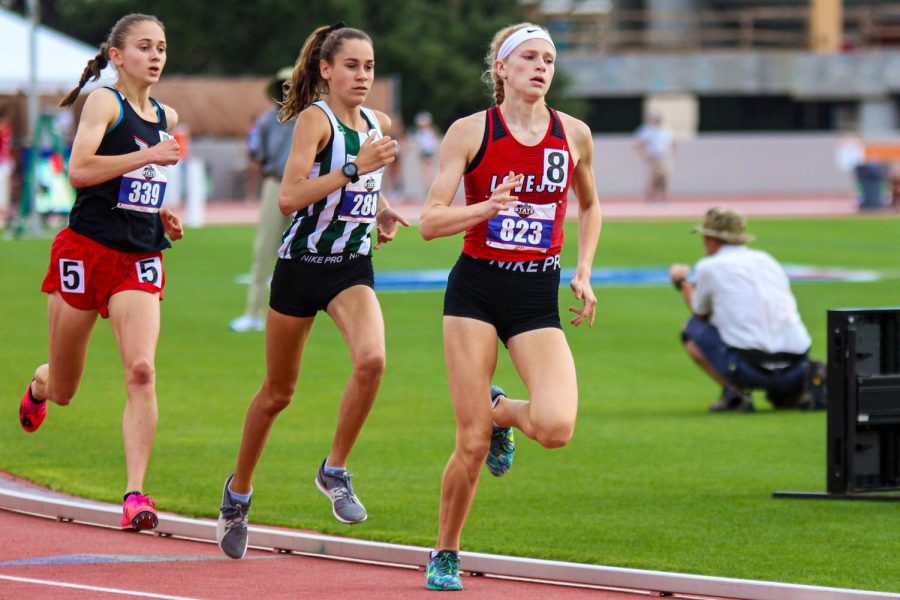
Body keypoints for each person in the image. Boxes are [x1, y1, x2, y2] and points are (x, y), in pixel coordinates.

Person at [418, 23, 602, 591]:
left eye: (548, 58)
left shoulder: (573, 134)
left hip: (534, 295)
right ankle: (446, 552)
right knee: (469, 442)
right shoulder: (471, 132)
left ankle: (502, 411)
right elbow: (429, 221)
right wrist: (486, 209)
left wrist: (584, 271)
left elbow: (590, 206)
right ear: (501, 68)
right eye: (528, 57)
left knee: (556, 426)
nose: (540, 66)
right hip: (475, 290)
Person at [216, 23, 407, 560]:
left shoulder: (379, 123)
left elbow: (366, 184)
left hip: (350, 267)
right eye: (352, 65)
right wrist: (354, 168)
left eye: (369, 67)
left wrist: (382, 209)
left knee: (372, 360)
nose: (362, 76)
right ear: (326, 70)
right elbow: (290, 198)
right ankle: (238, 493)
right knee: (278, 393)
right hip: (300, 268)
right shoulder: (313, 121)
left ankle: (335, 469)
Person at [17, 14, 183, 532]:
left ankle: (135, 494)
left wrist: (157, 212)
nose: (155, 56)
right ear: (117, 55)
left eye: (161, 47)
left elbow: (138, 180)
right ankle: (40, 387)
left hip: (139, 257)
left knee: (141, 370)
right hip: (84, 254)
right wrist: (151, 156)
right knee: (66, 387)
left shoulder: (164, 113)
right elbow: (80, 171)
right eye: (143, 47)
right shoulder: (103, 102)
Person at [669, 207, 826, 413]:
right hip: (797, 365)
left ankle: (735, 393)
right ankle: (797, 388)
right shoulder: (767, 260)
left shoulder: (709, 266)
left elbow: (699, 313)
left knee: (691, 329)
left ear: (712, 240)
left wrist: (682, 282)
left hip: (749, 369)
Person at [229, 67, 296, 332]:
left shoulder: (311, 118)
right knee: (264, 249)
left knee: (300, 252)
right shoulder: (268, 121)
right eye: (285, 87)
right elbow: (257, 153)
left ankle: (293, 314)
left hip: (304, 186)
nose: (289, 91)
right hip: (275, 183)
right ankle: (254, 311)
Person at [634, 112, 674, 203]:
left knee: (664, 178)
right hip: (652, 158)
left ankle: (664, 198)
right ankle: (650, 198)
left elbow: (671, 143)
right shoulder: (647, 130)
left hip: (663, 157)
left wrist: (670, 154)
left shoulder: (666, 130)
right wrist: (644, 155)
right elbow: (638, 144)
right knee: (651, 179)